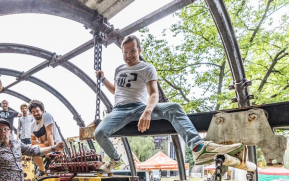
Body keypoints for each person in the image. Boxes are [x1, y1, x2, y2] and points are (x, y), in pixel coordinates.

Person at [94, 34, 244, 172]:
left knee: (174, 107)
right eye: (125, 52)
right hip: (119, 110)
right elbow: (116, 91)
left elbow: (154, 93)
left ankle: (198, 147)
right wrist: (103, 79)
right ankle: (115, 159)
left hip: (140, 108)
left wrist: (147, 111)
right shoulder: (119, 69)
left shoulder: (147, 68)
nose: (128, 56)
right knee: (99, 133)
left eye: (132, 51)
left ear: (139, 50)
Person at [29, 99, 63, 173]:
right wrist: (43, 144)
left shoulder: (46, 116)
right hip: (46, 146)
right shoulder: (32, 125)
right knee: (32, 149)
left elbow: (50, 133)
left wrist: (52, 149)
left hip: (55, 145)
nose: (36, 113)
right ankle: (42, 170)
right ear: (31, 113)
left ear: (42, 110)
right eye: (33, 112)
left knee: (59, 169)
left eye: (37, 111)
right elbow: (33, 141)